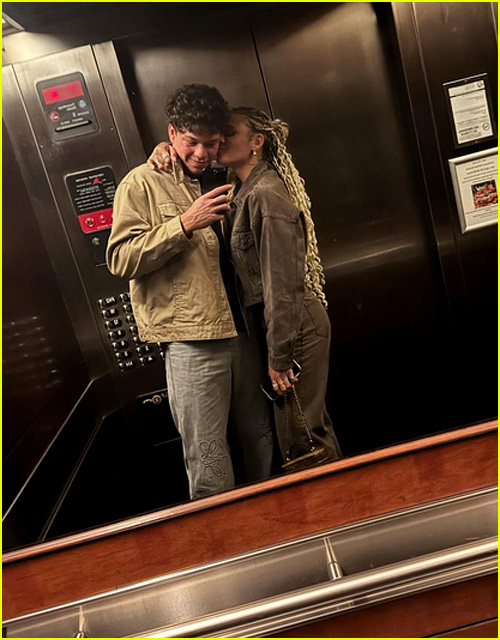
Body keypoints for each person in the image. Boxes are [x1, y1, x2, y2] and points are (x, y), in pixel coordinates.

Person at [149, 107, 342, 468]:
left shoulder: (265, 194)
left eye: (229, 133)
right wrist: (165, 148)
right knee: (298, 434)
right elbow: (186, 161)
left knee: (304, 439)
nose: (219, 141)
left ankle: (344, 519)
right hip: (277, 329)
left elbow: (282, 284)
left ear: (257, 142)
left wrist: (280, 357)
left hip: (295, 327)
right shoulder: (237, 187)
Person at [107, 85, 274, 499]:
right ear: (172, 133)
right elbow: (121, 259)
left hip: (244, 334)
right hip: (192, 342)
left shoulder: (225, 173)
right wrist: (183, 224)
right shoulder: (143, 183)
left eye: (211, 143)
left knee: (262, 443)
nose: (201, 153)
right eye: (191, 142)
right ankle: (227, 556)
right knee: (210, 459)